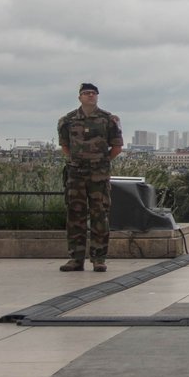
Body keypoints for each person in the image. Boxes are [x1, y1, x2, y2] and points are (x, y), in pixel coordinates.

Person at [57, 83, 123, 272]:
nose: (90, 96)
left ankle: (99, 258)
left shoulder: (108, 119)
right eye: (86, 93)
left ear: (97, 97)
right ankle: (75, 259)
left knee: (99, 216)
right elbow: (65, 146)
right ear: (80, 97)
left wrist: (101, 162)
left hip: (98, 176)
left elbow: (117, 147)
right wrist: (76, 161)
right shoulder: (67, 121)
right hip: (75, 175)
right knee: (75, 216)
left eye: (93, 93)